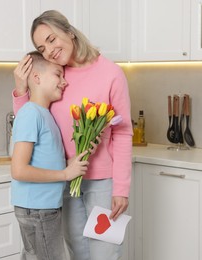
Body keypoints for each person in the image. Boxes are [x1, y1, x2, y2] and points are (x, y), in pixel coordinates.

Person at [12, 10, 132, 260]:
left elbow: (122, 134)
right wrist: (21, 90)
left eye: (52, 39)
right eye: (42, 48)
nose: (49, 50)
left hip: (102, 181)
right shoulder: (56, 75)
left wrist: (121, 188)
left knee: (105, 251)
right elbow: (30, 120)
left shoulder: (111, 74)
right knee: (77, 250)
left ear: (69, 31)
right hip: (64, 182)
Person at [11, 51, 89, 260]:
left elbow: (45, 159)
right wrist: (65, 174)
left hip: (41, 207)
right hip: (38, 209)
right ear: (36, 78)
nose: (64, 82)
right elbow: (19, 170)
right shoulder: (31, 113)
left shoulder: (44, 114)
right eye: (58, 75)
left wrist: (70, 163)